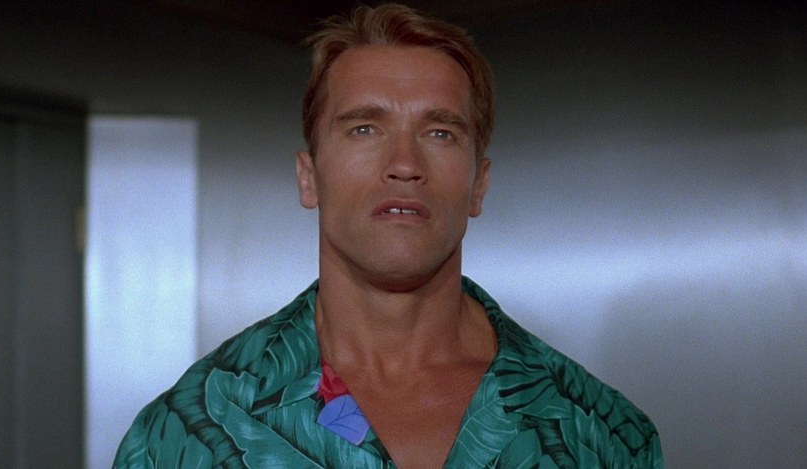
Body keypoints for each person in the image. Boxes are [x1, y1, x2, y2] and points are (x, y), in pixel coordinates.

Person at [113, 3, 663, 468]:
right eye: (364, 128)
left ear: (479, 185)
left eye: (440, 132)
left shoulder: (601, 437)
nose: (404, 164)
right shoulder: (190, 434)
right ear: (309, 177)